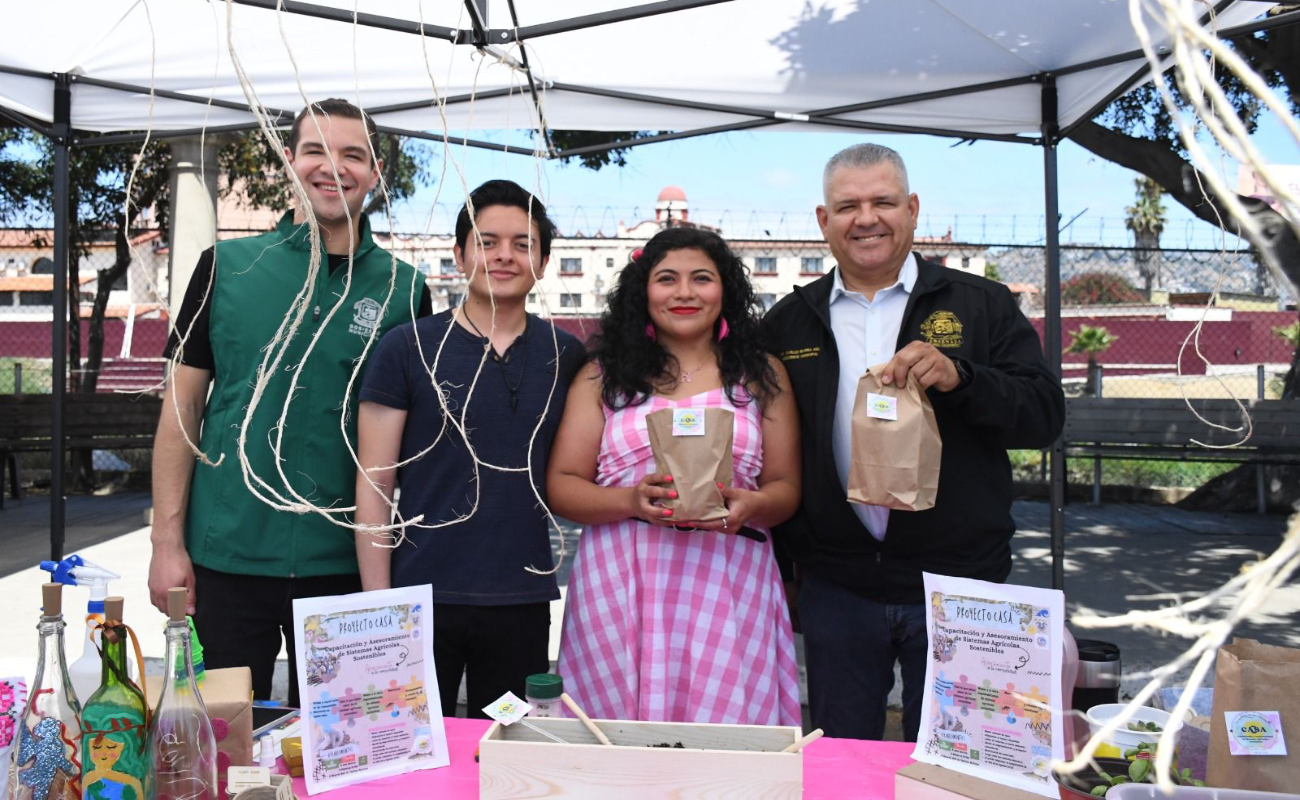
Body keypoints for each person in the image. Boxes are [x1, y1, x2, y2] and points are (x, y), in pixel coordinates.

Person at [762, 143, 1065, 741]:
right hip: (837, 585)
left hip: (958, 586)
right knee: (842, 761)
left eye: (884, 201)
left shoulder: (980, 305)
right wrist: (787, 571)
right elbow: (769, 453)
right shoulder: (788, 322)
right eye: (847, 205)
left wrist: (963, 378)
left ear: (914, 209)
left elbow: (1043, 417)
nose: (866, 218)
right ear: (823, 221)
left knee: (960, 761)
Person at [148, 98, 431, 703]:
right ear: (289, 162)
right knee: (221, 746)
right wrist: (165, 543)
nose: (334, 168)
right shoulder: (226, 267)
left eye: (353, 155)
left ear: (376, 172)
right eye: (316, 152)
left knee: (345, 749)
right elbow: (180, 412)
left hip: (345, 567)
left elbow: (416, 442)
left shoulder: (406, 291)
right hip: (225, 557)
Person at [550, 227, 802, 725]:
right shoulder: (602, 376)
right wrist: (629, 501)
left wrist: (752, 505)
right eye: (667, 279)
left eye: (701, 279)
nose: (684, 292)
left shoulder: (760, 374)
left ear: (724, 290)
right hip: (622, 582)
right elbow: (562, 483)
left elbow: (787, 487)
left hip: (728, 582)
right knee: (616, 737)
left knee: (727, 734)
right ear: (644, 292)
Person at [354, 180, 585, 719]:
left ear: (544, 262)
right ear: (459, 255)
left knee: (502, 753)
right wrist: (380, 604)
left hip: (520, 602)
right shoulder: (406, 348)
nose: (504, 255)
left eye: (523, 243)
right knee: (407, 751)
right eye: (487, 241)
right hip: (418, 599)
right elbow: (374, 483)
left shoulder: (568, 356)